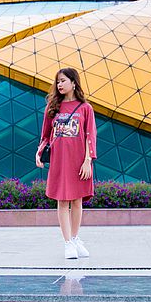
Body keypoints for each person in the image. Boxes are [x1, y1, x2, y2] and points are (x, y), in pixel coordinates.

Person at [35, 67, 97, 259]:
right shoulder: (52, 108)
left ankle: (76, 238)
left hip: (79, 161)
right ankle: (68, 243)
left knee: (77, 201)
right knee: (62, 201)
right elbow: (45, 135)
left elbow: (90, 136)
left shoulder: (85, 108)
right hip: (59, 161)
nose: (59, 85)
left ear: (73, 82)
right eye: (58, 81)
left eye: (63, 81)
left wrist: (88, 161)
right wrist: (39, 153)